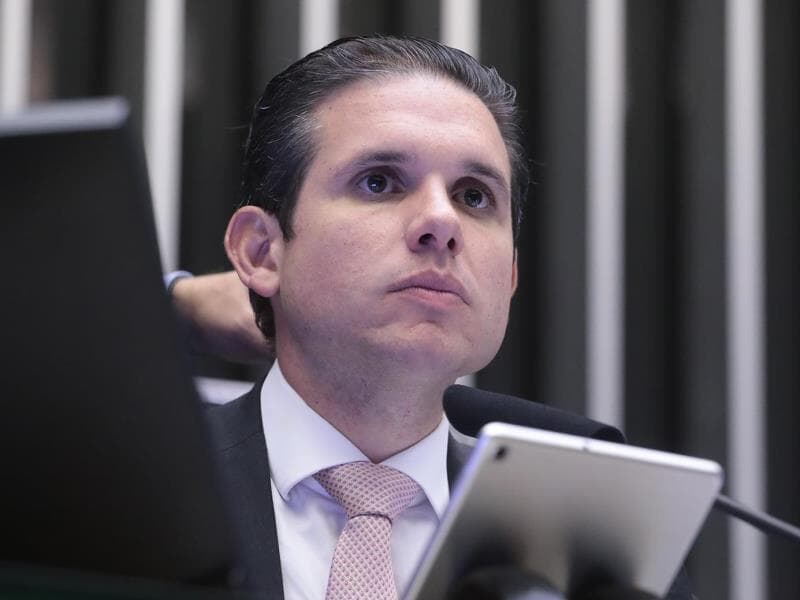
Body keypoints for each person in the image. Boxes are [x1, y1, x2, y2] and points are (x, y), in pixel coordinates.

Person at [171, 35, 691, 600]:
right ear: (261, 252)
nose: (442, 222)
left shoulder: (593, 534)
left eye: (473, 196)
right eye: (379, 181)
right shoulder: (132, 494)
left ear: (510, 275)